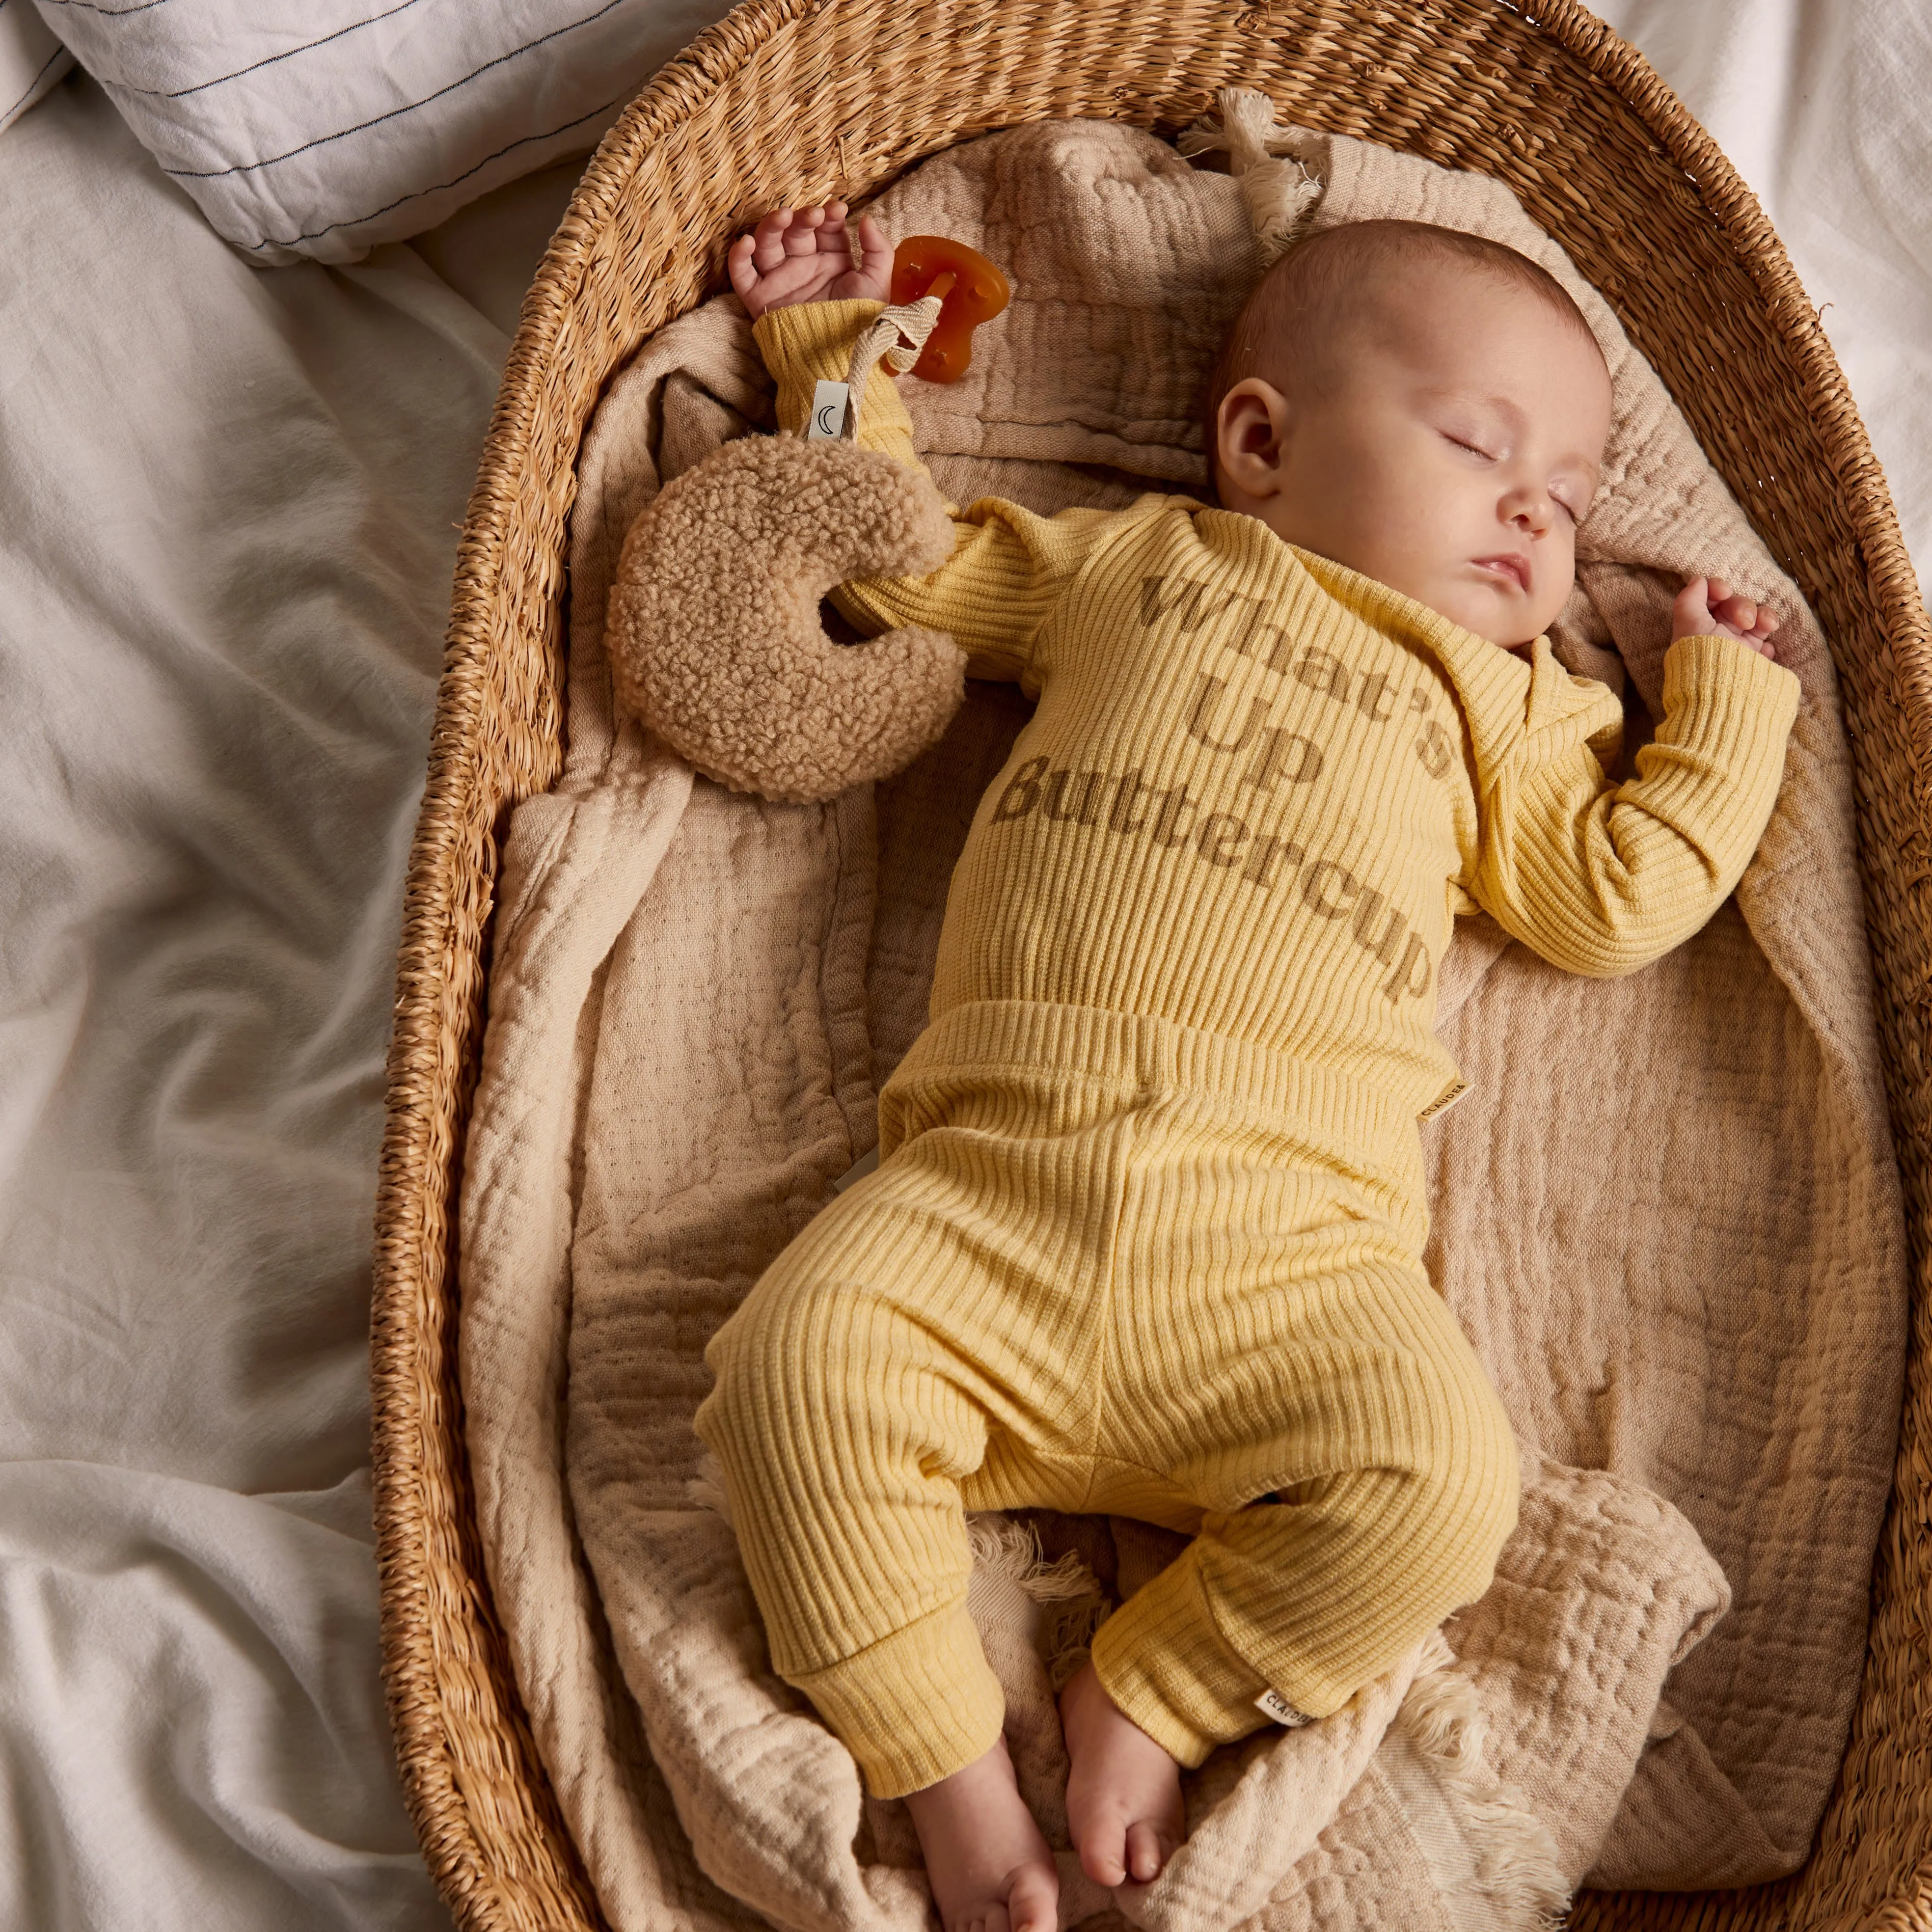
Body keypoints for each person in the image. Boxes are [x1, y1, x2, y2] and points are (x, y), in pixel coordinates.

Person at [693, 198, 1797, 1932]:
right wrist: (833, 357)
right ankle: (950, 1776)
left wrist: (1722, 705)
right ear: (1263, 444)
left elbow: (1615, 899)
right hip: (989, 1198)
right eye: (1480, 447)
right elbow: (887, 562)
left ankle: (1157, 1687)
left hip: (1287, 1265)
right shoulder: (1135, 567)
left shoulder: (1505, 705)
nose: (1537, 513)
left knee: (1448, 1486)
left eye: (1569, 501)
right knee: (789, 1372)